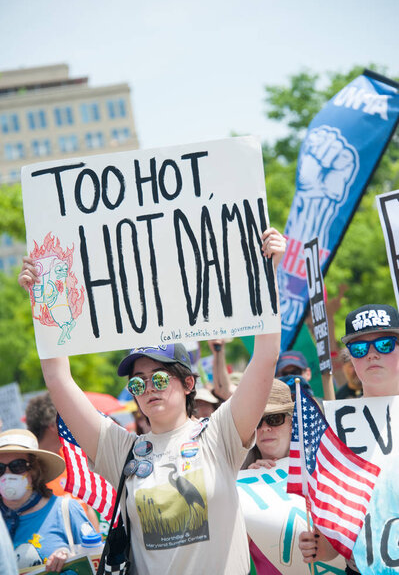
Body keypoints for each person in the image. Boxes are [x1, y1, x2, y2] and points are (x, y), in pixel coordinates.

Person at [18, 226, 286, 575]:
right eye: (137, 384)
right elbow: (57, 378)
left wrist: (269, 274)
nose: (149, 388)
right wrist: (43, 300)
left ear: (189, 383)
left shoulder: (220, 434)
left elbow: (265, 357)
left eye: (160, 378)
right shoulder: (121, 450)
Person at [299, 303, 399, 575]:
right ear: (351, 359)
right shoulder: (335, 430)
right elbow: (334, 543)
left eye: (386, 344)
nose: (372, 355)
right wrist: (317, 546)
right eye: (359, 349)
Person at [0, 429, 92, 573]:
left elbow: (95, 560)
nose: (7, 474)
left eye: (17, 466)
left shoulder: (65, 510)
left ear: (34, 470)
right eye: (0, 468)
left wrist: (71, 559)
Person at [25, 392, 100, 531]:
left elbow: (87, 507)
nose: (75, 422)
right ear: (53, 424)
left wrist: (99, 547)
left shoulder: (73, 455)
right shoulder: (28, 467)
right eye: (68, 417)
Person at [241, 379, 294, 574]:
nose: (264, 428)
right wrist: (248, 491)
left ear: (291, 422)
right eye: (257, 421)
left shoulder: (320, 474)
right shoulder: (239, 484)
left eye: (274, 418)